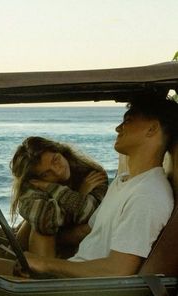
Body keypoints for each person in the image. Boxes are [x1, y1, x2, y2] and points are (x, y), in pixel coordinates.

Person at [10, 95, 178, 278]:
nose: (118, 128)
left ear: (152, 129)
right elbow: (88, 231)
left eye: (128, 121)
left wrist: (45, 264)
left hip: (81, 292)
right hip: (72, 275)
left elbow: (118, 270)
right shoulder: (124, 181)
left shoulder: (148, 195)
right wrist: (42, 241)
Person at [10, 136, 108, 258]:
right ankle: (39, 272)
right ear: (37, 178)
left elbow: (90, 213)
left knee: (48, 219)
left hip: (76, 239)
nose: (58, 171)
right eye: (46, 173)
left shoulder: (91, 173)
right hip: (33, 240)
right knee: (39, 221)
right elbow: (45, 220)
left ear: (60, 151)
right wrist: (79, 197)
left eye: (55, 160)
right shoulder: (33, 184)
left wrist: (54, 190)